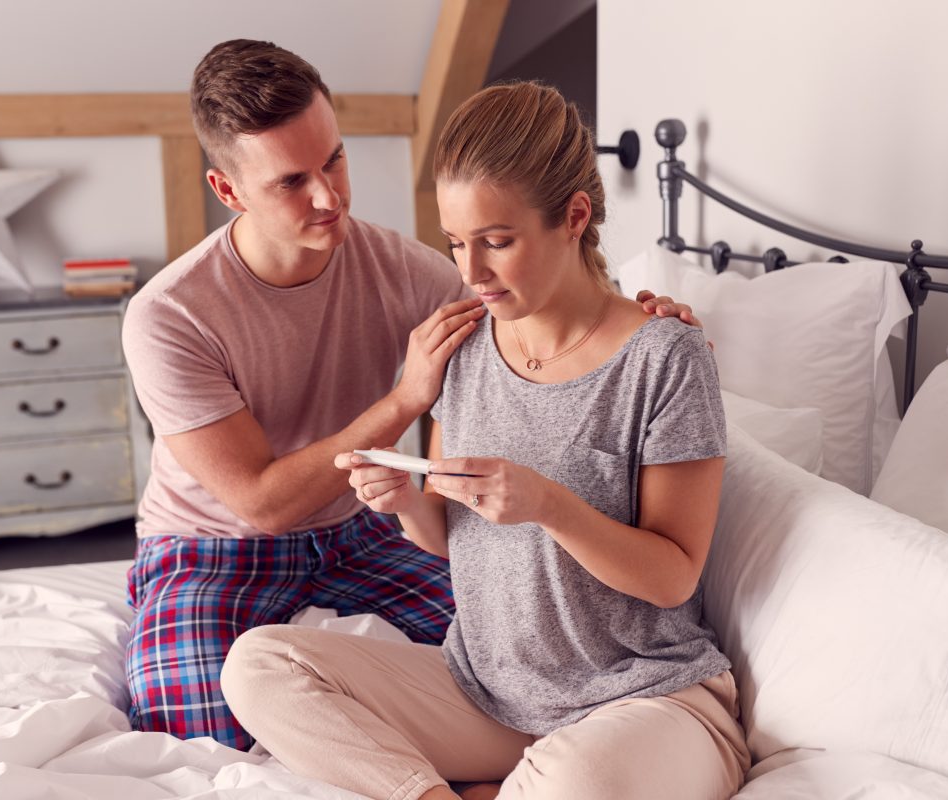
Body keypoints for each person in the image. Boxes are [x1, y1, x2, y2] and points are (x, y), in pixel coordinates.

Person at [121, 40, 703, 751]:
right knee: (207, 741)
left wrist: (639, 317)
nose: (329, 197)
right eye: (291, 181)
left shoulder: (404, 270)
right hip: (211, 547)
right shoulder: (170, 314)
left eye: (334, 159)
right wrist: (405, 401)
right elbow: (261, 503)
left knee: (508, 672)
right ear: (229, 192)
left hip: (360, 531)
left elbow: (535, 294)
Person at [220, 80, 750, 800]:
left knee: (581, 778)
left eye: (497, 242)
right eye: (457, 244)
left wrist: (549, 506)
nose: (471, 273)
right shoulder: (462, 347)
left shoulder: (663, 358)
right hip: (487, 695)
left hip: (645, 698)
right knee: (258, 665)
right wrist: (408, 499)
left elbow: (673, 575)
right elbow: (454, 538)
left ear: (574, 216)